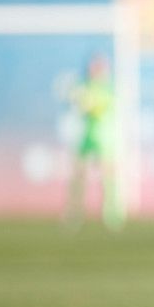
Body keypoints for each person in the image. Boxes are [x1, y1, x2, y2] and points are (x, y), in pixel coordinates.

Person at [65, 54, 124, 231]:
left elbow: (99, 107)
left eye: (99, 66)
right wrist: (79, 100)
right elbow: (78, 104)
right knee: (78, 173)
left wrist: (88, 103)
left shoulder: (108, 87)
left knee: (107, 175)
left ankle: (111, 213)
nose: (95, 70)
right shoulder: (85, 85)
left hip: (104, 136)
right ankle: (75, 212)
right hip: (87, 135)